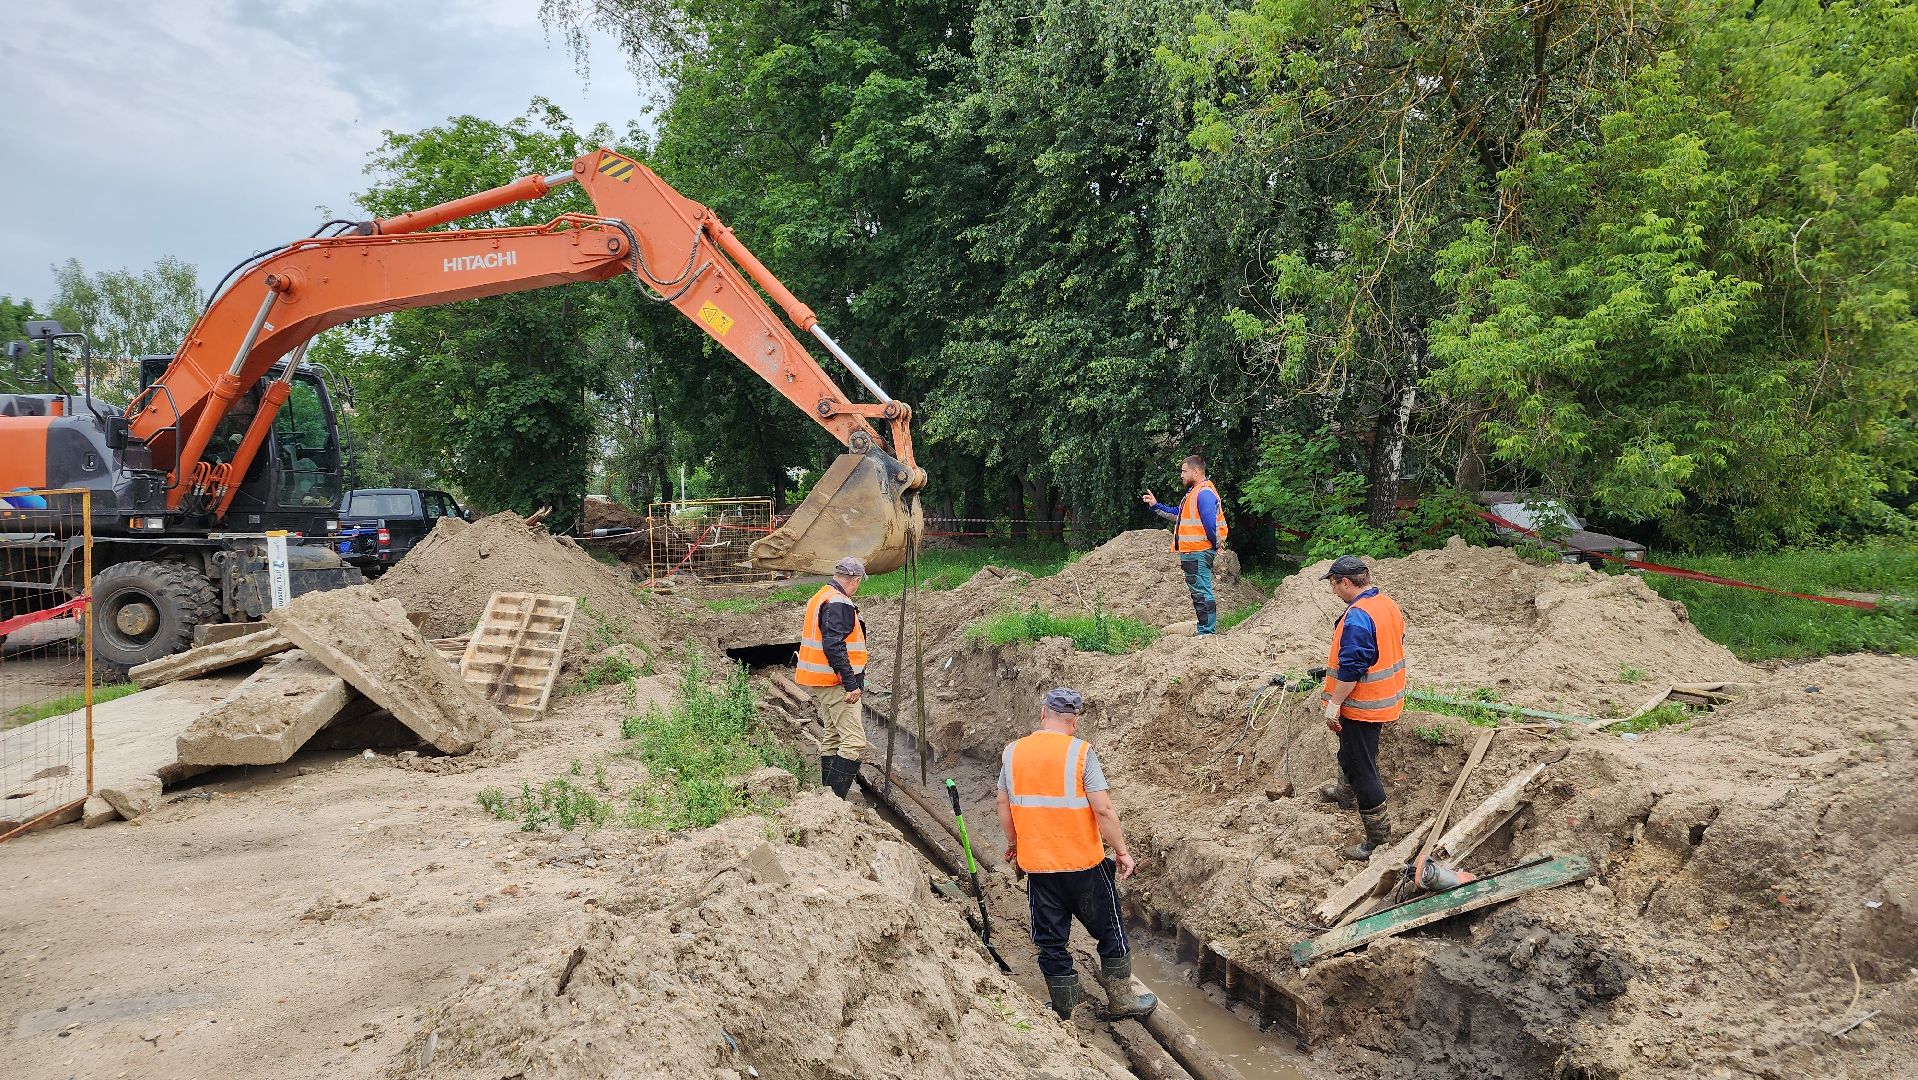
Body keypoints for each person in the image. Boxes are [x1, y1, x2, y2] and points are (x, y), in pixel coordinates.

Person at [996, 687, 1158, 1021]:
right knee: (1110, 929)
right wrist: (1122, 851)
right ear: (1076, 720)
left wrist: (1014, 845)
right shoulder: (1081, 753)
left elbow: (1003, 804)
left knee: (1051, 941)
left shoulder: (1012, 753)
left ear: (1043, 713)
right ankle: (1122, 1000)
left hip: (1039, 866)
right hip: (1084, 865)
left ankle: (1063, 1009)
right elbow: (1104, 809)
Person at [1318, 555, 1408, 861]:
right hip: (1383, 698)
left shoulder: (1358, 616)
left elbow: (1352, 667)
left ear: (1345, 582)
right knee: (1351, 751)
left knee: (1362, 768)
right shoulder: (1386, 604)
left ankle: (1378, 840)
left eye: (1333, 585)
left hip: (1362, 704)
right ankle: (1345, 793)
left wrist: (1335, 703)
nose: (1333, 591)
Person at [795, 556, 870, 799]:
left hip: (821, 680)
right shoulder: (839, 601)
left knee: (834, 734)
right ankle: (834, 801)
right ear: (855, 580)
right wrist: (850, 683)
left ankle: (826, 797)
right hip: (835, 682)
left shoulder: (821, 596)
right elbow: (834, 645)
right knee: (854, 741)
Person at [1141, 455, 1228, 635]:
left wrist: (1216, 544)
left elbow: (1210, 523)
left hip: (1198, 551)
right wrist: (1156, 505)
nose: (1181, 475)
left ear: (1196, 472)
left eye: (1184, 471)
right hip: (1194, 551)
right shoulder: (1195, 492)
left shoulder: (1203, 493)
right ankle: (1205, 629)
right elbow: (1179, 514)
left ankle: (1207, 631)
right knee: (1199, 591)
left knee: (1201, 591)